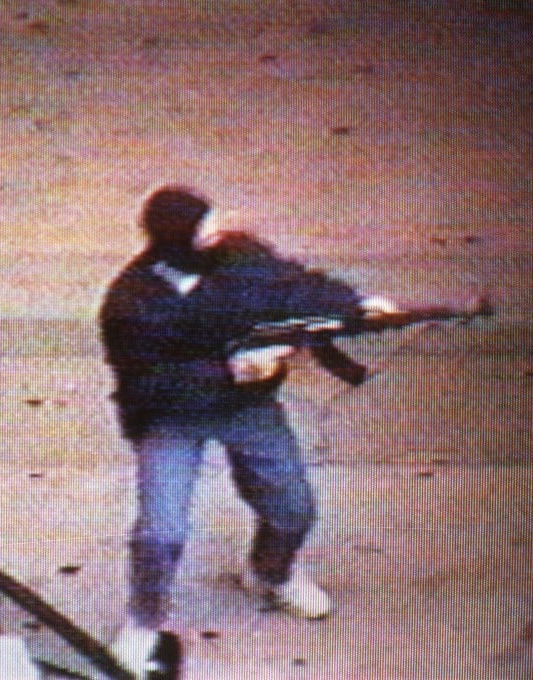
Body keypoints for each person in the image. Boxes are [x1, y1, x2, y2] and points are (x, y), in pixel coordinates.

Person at [98, 185, 399, 678]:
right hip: (172, 416)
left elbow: (296, 287)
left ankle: (270, 574)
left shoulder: (241, 256)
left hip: (246, 408)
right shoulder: (131, 302)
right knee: (160, 531)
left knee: (292, 506)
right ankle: (142, 622)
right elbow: (145, 383)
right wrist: (227, 372)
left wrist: (356, 305)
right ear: (178, 241)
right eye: (204, 229)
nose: (218, 233)